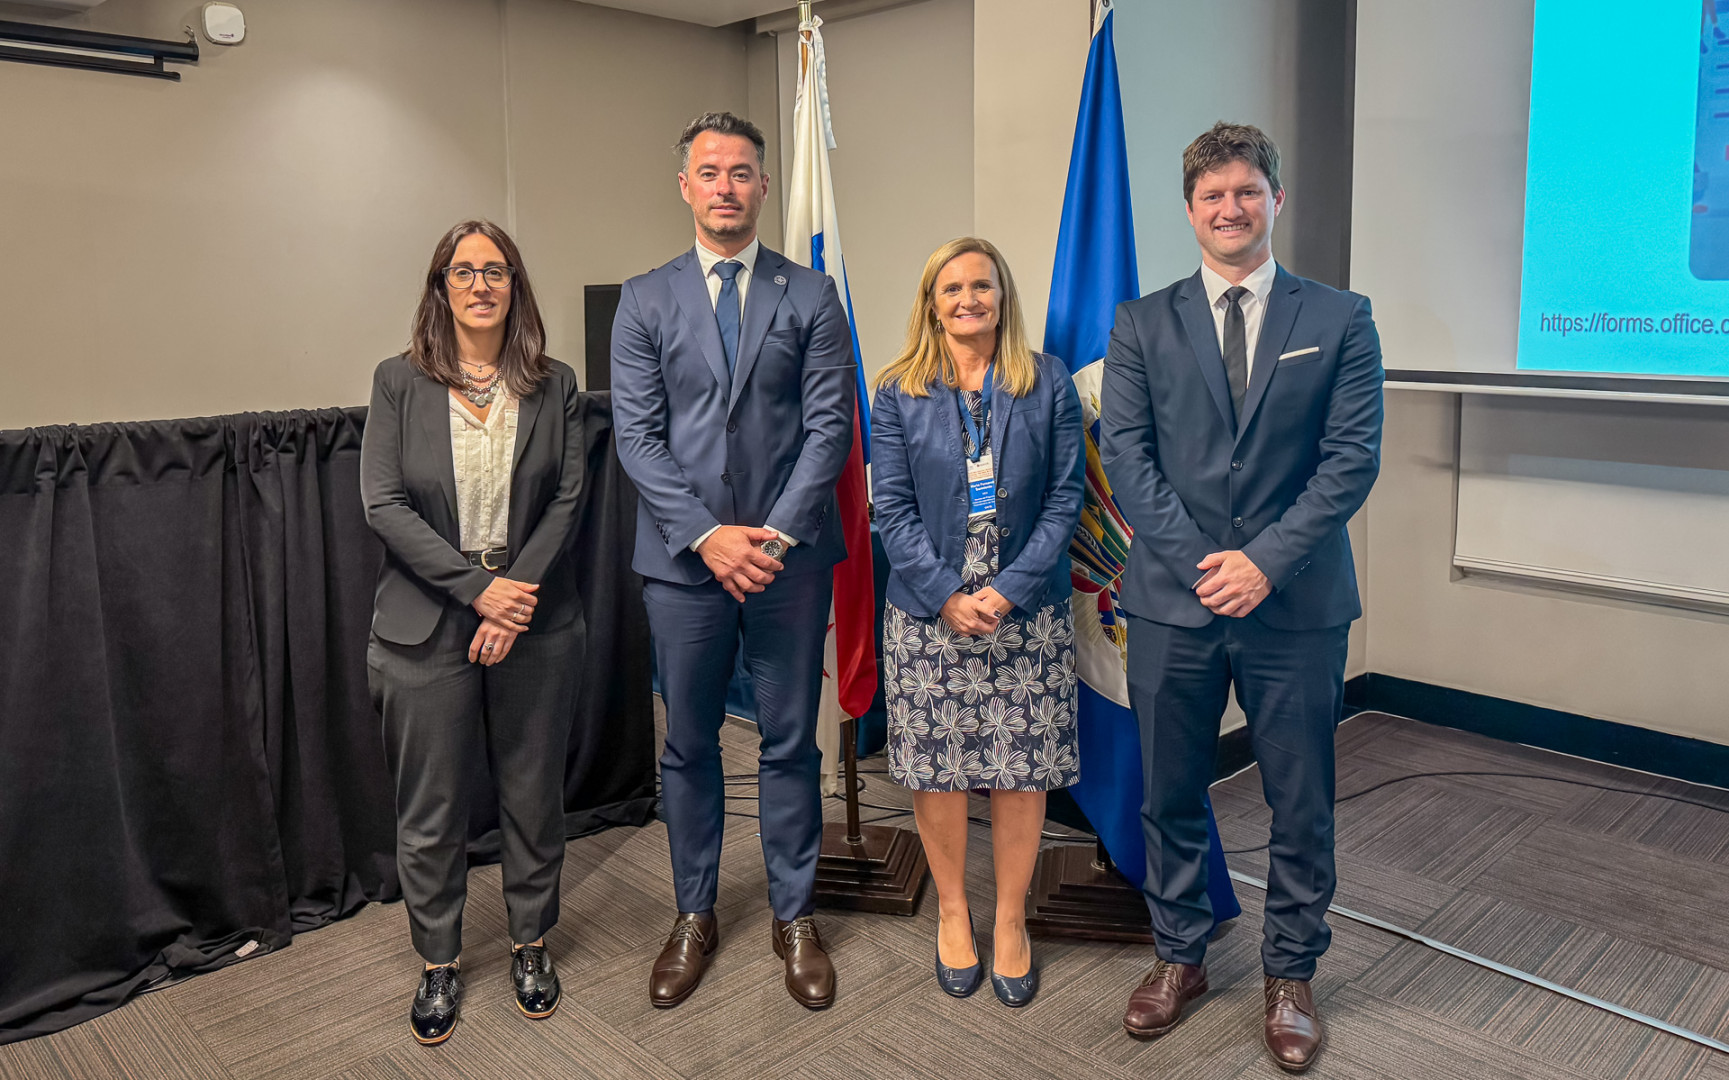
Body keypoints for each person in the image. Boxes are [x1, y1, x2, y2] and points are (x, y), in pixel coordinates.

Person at [1101, 122, 1383, 1072]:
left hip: (1295, 603)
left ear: (1274, 201)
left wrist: (1261, 561)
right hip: (1171, 603)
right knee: (1169, 789)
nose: (1230, 209)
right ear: (1190, 211)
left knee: (1299, 799)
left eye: (1246, 192)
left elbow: (1349, 463)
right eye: (1212, 195)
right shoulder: (1140, 322)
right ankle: (1180, 954)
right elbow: (1127, 463)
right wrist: (1199, 564)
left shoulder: (1340, 318)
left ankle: (1290, 972)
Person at [610, 111, 856, 1011]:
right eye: (709, 172)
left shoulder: (812, 295)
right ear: (685, 186)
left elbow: (830, 427)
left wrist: (774, 536)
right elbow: (638, 437)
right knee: (688, 745)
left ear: (761, 185)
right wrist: (709, 538)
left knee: (791, 742)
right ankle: (694, 912)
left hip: (788, 564)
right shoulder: (645, 299)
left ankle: (795, 913)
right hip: (683, 566)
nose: (725, 186)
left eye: (742, 172)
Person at [360, 220, 586, 1045]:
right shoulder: (397, 382)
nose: (481, 284)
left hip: (536, 618)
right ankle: (439, 961)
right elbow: (382, 505)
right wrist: (477, 594)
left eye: (496, 270)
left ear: (515, 286)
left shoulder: (554, 385)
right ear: (441, 288)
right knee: (431, 810)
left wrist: (512, 594)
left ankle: (530, 943)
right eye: (464, 272)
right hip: (426, 622)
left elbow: (566, 498)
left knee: (532, 798)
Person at [870, 237, 1085, 1008]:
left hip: (1024, 615)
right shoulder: (897, 390)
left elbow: (1067, 498)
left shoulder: (1046, 382)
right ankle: (955, 910)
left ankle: (1010, 921)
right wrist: (941, 593)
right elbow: (888, 506)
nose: (968, 299)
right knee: (939, 770)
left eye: (982, 286)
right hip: (929, 619)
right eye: (951, 287)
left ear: (1003, 296)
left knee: (1020, 770)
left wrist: (1012, 588)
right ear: (931, 301)